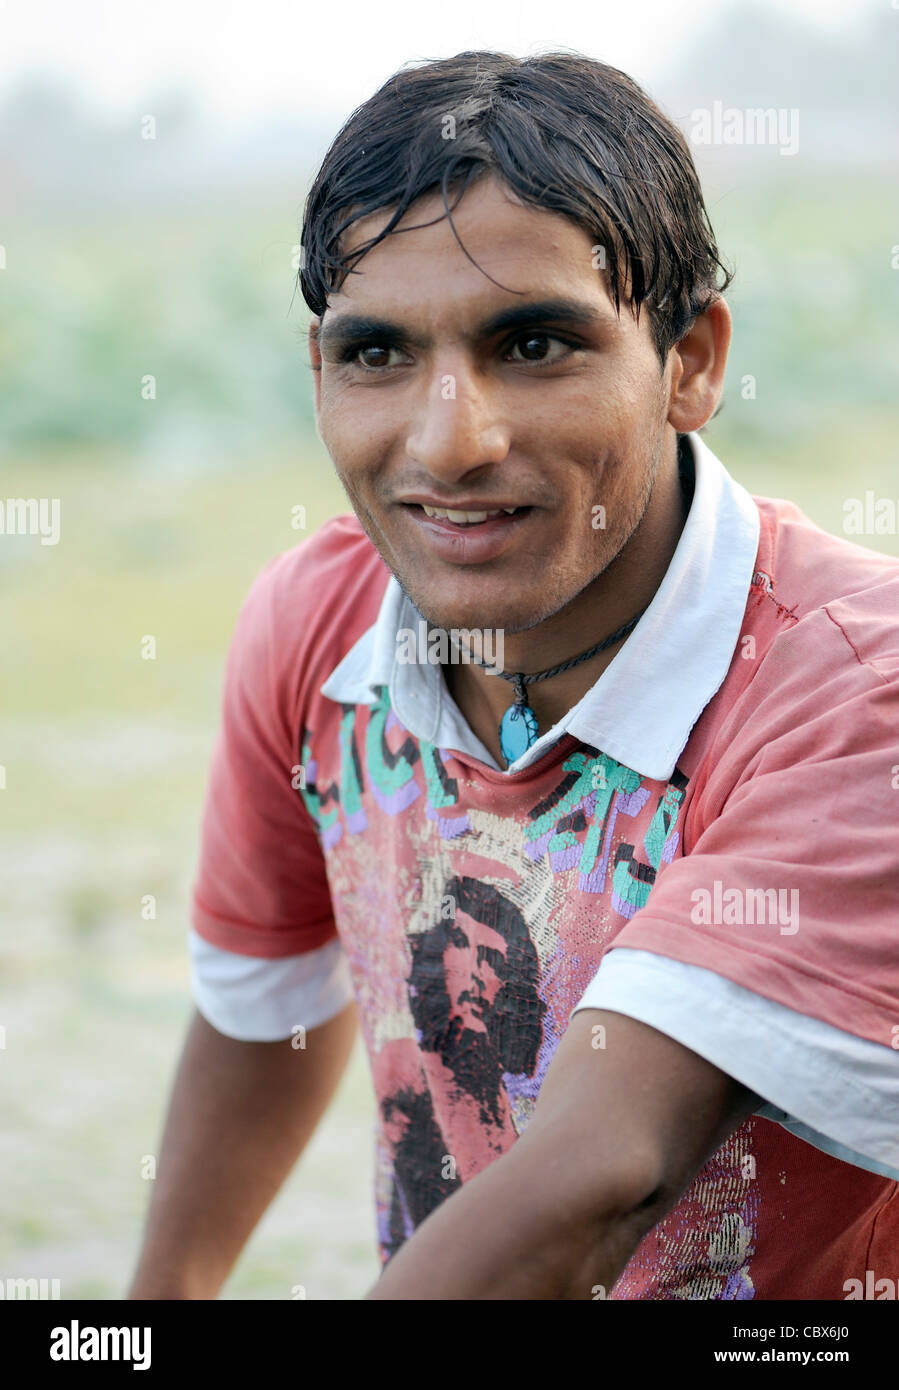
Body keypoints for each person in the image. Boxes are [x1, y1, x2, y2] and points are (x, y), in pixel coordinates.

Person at [128, 50, 899, 1301]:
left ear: (690, 361)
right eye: (376, 355)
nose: (448, 440)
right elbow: (258, 1008)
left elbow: (607, 1170)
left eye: (533, 343)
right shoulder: (316, 626)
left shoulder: (854, 690)